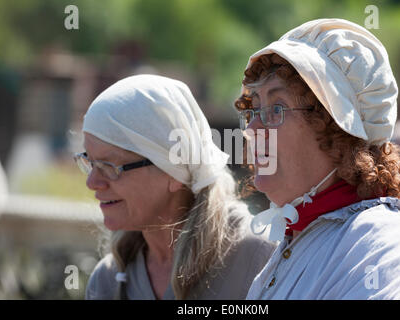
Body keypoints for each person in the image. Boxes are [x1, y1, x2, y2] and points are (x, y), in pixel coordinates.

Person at [234, 18, 400, 299]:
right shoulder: (301, 237)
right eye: (255, 109)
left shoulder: (382, 243)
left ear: (337, 131)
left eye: (276, 108)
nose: (252, 129)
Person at [78, 74, 276, 300]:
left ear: (174, 169)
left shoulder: (257, 260)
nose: (92, 182)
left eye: (109, 166)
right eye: (89, 162)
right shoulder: (108, 281)